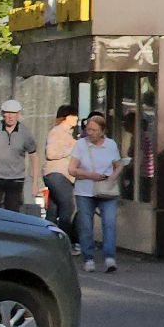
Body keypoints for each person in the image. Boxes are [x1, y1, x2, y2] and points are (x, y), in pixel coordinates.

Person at [69, 113, 123, 273]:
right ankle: (89, 258)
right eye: (88, 129)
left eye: (94, 130)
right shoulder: (81, 145)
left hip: (106, 190)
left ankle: (110, 257)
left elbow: (119, 165)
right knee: (86, 225)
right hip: (85, 191)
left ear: (102, 131)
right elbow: (71, 169)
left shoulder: (111, 145)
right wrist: (89, 175)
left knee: (109, 223)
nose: (90, 133)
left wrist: (112, 178)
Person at [42, 104, 79, 243]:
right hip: (57, 174)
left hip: (61, 176)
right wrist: (71, 148)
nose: (76, 118)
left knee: (53, 209)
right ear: (65, 117)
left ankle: (47, 241)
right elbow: (51, 153)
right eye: (73, 115)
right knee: (68, 206)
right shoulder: (57, 131)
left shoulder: (68, 134)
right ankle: (64, 241)